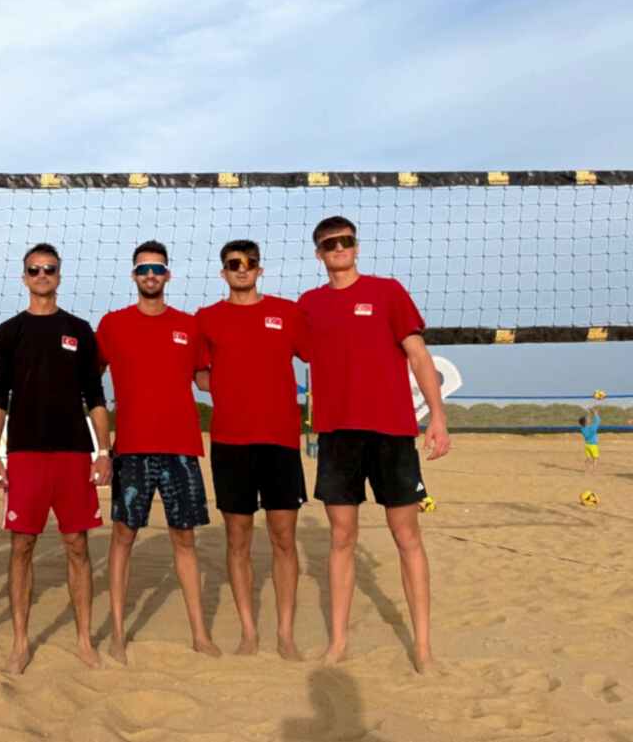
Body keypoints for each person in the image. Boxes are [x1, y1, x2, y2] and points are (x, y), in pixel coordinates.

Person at [299, 215, 450, 674]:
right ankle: (338, 643)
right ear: (319, 254)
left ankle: (423, 647)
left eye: (345, 241)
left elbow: (419, 355)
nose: (338, 248)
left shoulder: (387, 291)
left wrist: (438, 417)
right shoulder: (309, 304)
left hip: (391, 432)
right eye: (329, 244)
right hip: (337, 434)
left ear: (356, 246)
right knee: (342, 537)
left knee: (407, 536)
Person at [0, 243, 112, 674]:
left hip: (74, 452)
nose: (42, 275)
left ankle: (84, 640)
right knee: (22, 545)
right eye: (34, 269)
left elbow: (95, 396)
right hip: (25, 453)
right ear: (24, 277)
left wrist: (103, 451)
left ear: (59, 275)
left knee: (77, 545)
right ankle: (20, 642)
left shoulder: (79, 328)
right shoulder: (10, 331)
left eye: (49, 269)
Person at [96, 240, 219, 664]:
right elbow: (88, 378)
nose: (151, 275)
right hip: (131, 448)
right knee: (123, 537)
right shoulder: (112, 324)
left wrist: (260, 371)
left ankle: (200, 634)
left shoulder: (189, 325)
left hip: (180, 447)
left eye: (158, 268)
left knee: (184, 539)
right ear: (134, 275)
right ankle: (117, 634)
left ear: (168, 275)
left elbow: (206, 380)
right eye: (144, 269)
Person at [196, 239, 309, 660]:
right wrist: (235, 390)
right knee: (238, 538)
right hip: (231, 441)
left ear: (260, 269)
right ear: (223, 272)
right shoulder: (207, 318)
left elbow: (319, 353)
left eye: (249, 263)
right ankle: (248, 631)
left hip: (280, 440)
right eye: (233, 263)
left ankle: (285, 633)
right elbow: (200, 375)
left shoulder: (287, 312)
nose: (242, 268)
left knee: (284, 537)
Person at [580, 410, 601, 474]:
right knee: (595, 458)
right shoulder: (592, 428)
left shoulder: (582, 429)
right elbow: (598, 421)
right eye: (588, 419)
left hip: (587, 445)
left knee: (588, 458)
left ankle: (586, 470)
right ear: (586, 422)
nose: (589, 419)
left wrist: (590, 413)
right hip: (593, 445)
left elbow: (587, 423)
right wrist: (595, 413)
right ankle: (593, 471)